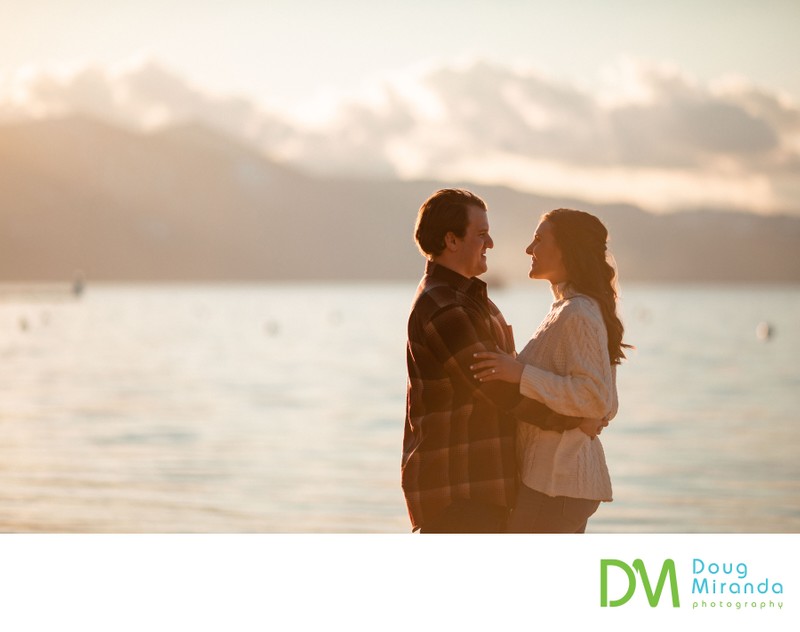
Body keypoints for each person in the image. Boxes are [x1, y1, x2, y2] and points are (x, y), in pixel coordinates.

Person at [402, 190, 600, 533]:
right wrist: (572, 420)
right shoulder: (445, 306)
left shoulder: (473, 301)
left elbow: (512, 375)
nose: (490, 242)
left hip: (481, 487)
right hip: (460, 491)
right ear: (451, 240)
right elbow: (496, 390)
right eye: (481, 234)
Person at [471, 208, 630, 533]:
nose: (529, 249)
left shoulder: (578, 313)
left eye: (540, 240)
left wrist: (519, 374)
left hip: (557, 482)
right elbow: (606, 402)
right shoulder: (571, 309)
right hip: (557, 483)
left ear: (567, 250)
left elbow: (596, 399)